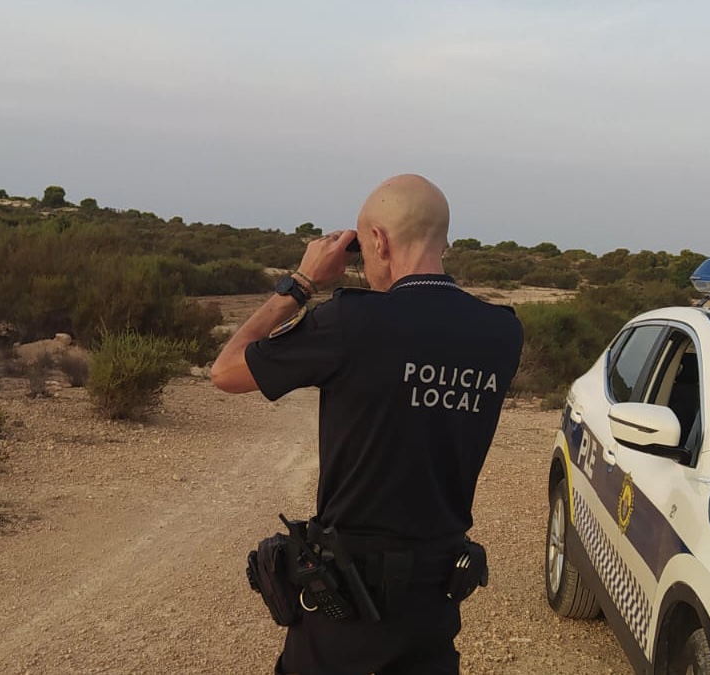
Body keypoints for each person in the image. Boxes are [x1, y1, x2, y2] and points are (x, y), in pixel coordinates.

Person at [211, 174, 524, 675]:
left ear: (375, 241)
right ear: (444, 240)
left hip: (346, 610)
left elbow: (226, 371)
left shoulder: (349, 322)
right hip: (434, 605)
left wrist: (302, 284)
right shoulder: (503, 333)